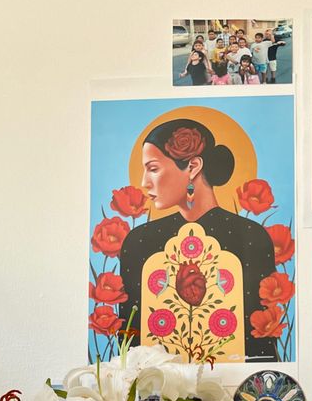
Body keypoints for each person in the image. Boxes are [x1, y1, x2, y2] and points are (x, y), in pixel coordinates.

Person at [118, 117, 278, 360]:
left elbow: (261, 346)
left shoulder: (252, 237)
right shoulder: (139, 242)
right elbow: (130, 348)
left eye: (153, 169)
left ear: (193, 166)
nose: (143, 182)